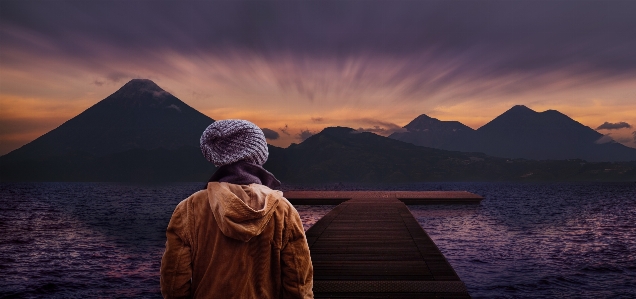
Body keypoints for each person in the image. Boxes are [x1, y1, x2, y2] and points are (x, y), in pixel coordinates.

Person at [160, 119, 314, 299]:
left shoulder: (189, 209)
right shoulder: (282, 210)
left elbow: (174, 282)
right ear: (258, 154)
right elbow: (298, 282)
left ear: (219, 158)